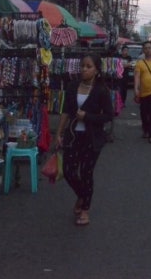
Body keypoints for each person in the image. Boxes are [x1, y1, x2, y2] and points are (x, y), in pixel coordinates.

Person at [55, 54, 114, 226]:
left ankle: (85, 209)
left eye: (88, 67)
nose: (84, 69)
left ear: (96, 70)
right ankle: (83, 195)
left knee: (86, 173)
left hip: (92, 138)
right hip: (73, 136)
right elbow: (66, 111)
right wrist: (58, 133)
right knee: (68, 171)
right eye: (82, 66)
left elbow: (108, 116)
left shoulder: (101, 90)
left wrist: (87, 116)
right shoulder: (72, 86)